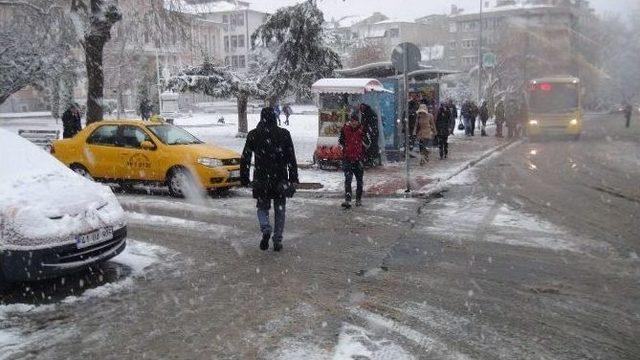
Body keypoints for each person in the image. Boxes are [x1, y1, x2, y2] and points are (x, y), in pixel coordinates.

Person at [241, 107, 299, 252]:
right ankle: (277, 240)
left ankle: (266, 228)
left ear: (261, 118)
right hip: (280, 178)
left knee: (262, 208)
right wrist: (293, 177)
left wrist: (244, 177)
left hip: (261, 178)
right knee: (280, 210)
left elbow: (246, 157)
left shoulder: (254, 135)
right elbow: (291, 157)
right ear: (274, 117)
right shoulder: (284, 134)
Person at [339, 112, 370, 209]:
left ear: (358, 121)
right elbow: (340, 141)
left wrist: (364, 142)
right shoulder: (345, 129)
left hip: (358, 159)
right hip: (347, 158)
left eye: (355, 121)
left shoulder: (363, 130)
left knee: (359, 180)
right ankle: (348, 200)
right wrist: (344, 149)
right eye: (352, 121)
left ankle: (358, 199)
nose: (353, 123)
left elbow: (368, 143)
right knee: (348, 180)